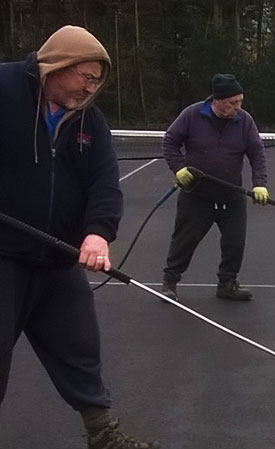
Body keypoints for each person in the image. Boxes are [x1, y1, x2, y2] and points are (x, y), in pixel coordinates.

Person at [0, 26, 159, 449]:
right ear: (58, 66)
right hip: (4, 255)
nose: (92, 88)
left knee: (79, 345)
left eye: (98, 80)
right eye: (86, 77)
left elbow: (105, 182)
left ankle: (103, 434)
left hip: (58, 257)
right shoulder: (5, 89)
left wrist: (97, 234)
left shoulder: (90, 119)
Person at [161, 73, 269, 302]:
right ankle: (170, 282)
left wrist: (260, 183)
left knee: (235, 243)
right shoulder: (191, 115)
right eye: (233, 103)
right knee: (184, 241)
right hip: (197, 196)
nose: (238, 107)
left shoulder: (244, 121)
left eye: (240, 101)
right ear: (217, 101)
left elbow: (257, 153)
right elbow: (170, 141)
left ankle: (227, 284)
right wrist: (179, 168)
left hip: (232, 196)